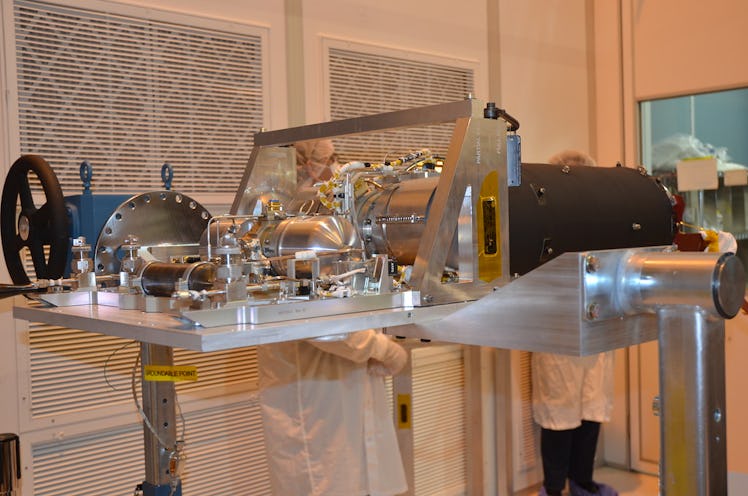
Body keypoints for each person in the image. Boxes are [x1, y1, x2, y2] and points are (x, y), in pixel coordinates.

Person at [257, 140, 409, 496]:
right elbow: (326, 327)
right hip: (314, 410)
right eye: (329, 164)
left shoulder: (323, 229)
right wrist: (386, 351)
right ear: (309, 168)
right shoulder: (289, 237)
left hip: (346, 391)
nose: (334, 172)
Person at [532, 150, 618, 496]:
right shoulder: (542, 224)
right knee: (559, 415)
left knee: (591, 407)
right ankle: (553, 489)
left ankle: (583, 483)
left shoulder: (604, 222)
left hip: (597, 328)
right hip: (558, 331)